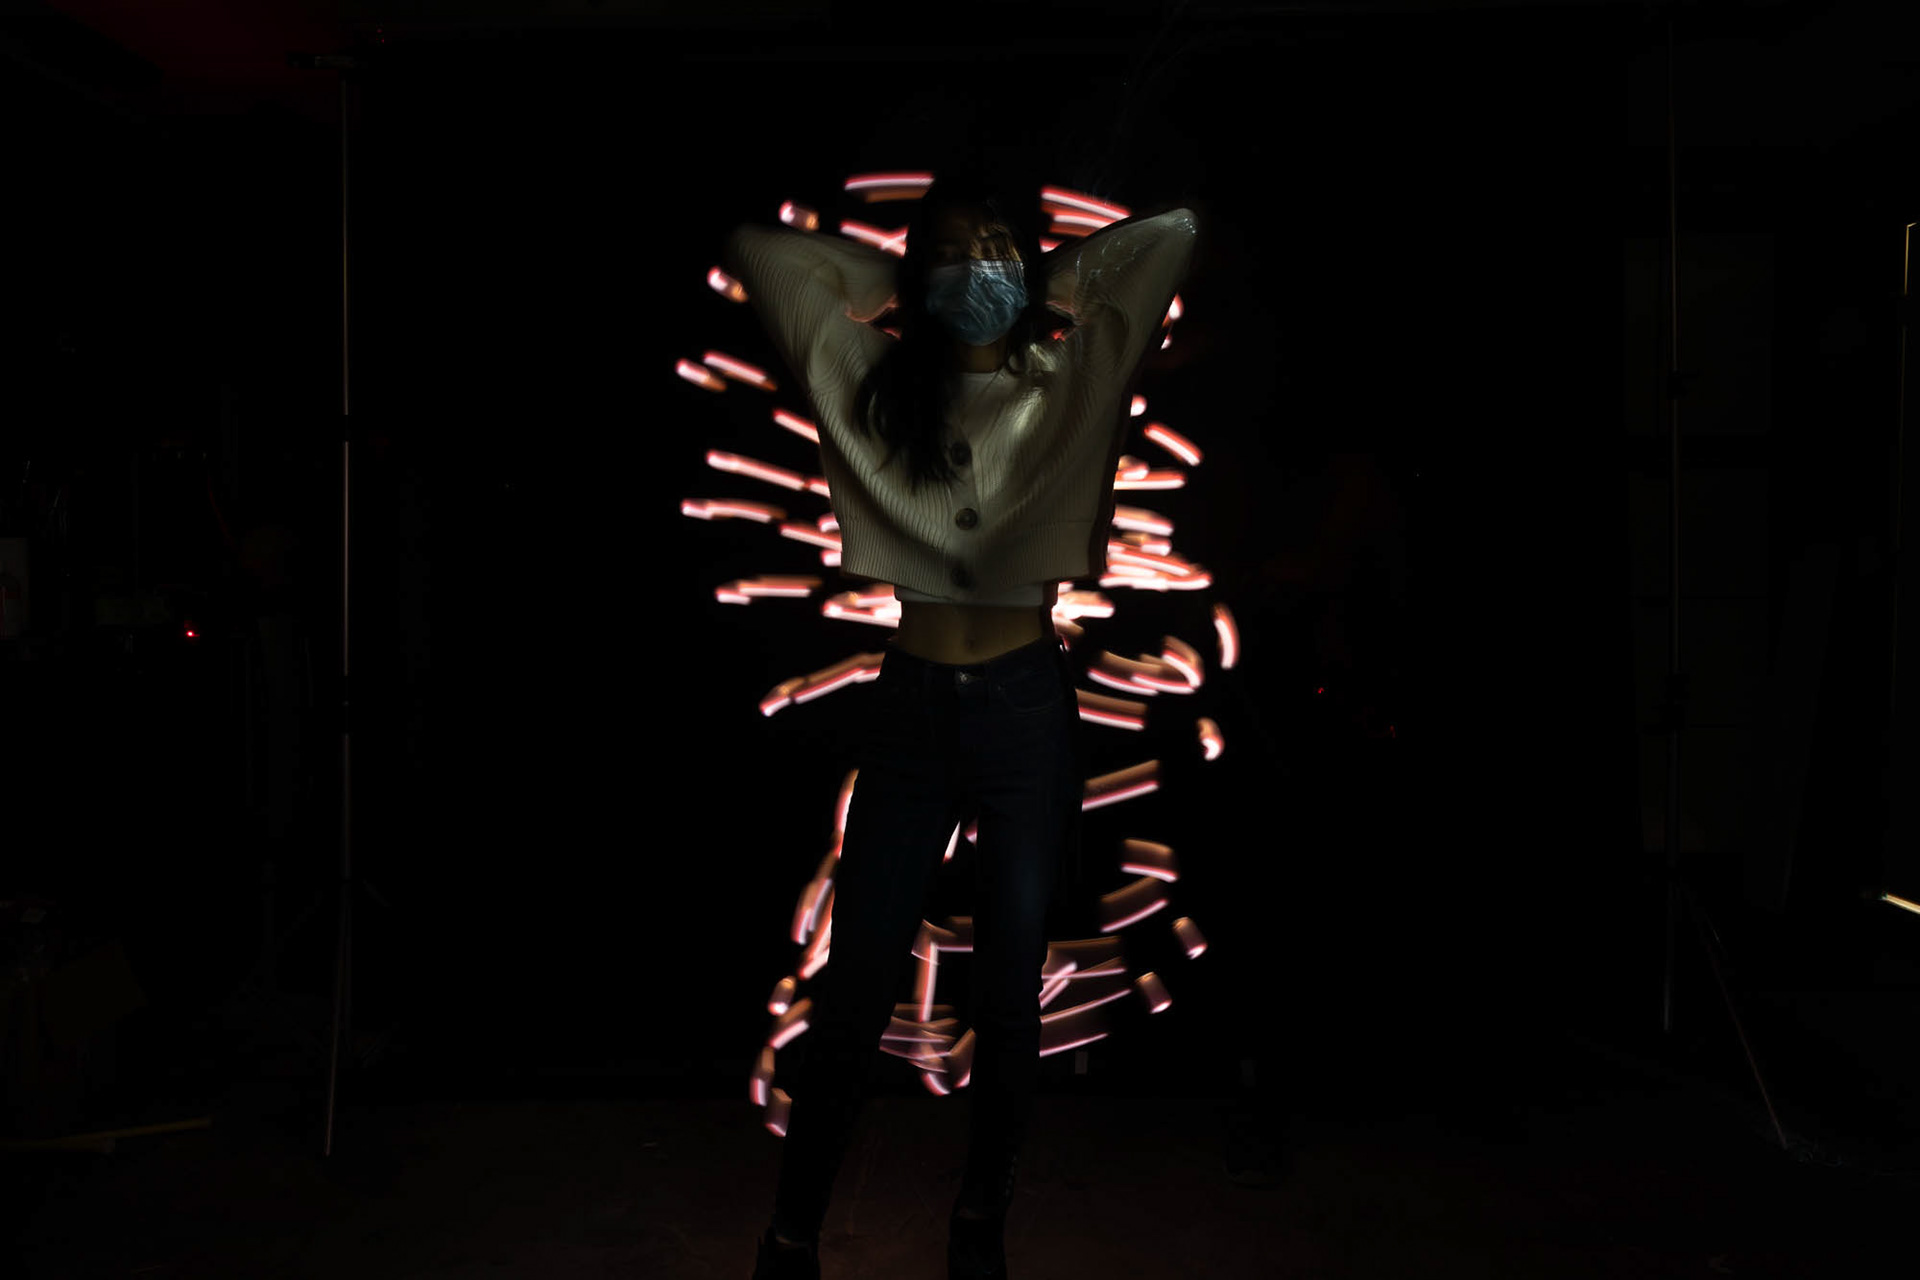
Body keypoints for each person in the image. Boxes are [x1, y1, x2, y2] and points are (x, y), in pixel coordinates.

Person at [725, 169, 1198, 1280]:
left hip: (1027, 704)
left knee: (1010, 991)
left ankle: (980, 1225)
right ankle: (791, 1233)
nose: (975, 267)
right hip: (914, 706)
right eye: (950, 249)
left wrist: (1034, 283)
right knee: (856, 984)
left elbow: (1171, 237)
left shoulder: (1070, 378)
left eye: (996, 246)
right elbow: (764, 253)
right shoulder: (869, 383)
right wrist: (905, 283)